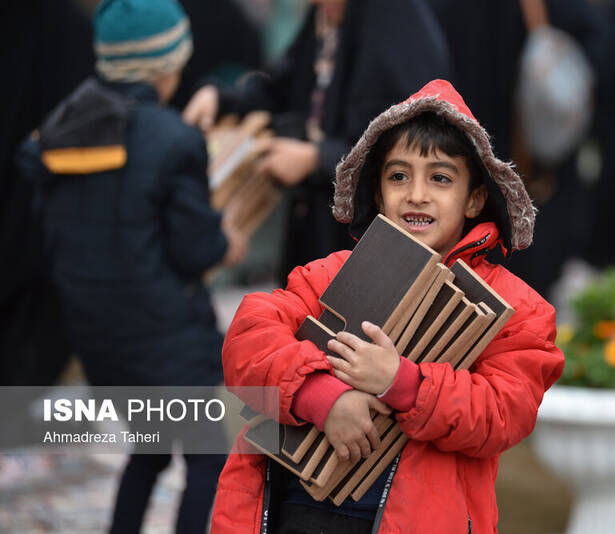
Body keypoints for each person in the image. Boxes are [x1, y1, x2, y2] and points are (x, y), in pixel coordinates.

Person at [212, 79, 565, 534]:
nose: (416, 194)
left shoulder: (518, 311)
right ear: (378, 193)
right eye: (399, 176)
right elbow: (249, 339)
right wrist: (320, 397)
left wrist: (402, 382)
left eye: (440, 178)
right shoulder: (329, 274)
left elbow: (501, 414)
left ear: (475, 198)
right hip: (292, 511)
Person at [16, 0, 246, 532]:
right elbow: (196, 251)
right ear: (168, 65)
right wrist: (224, 241)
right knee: (209, 461)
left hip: (99, 340)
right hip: (167, 344)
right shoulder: (175, 141)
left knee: (149, 452)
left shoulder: (58, 133)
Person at [182, 0, 451, 280]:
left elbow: (412, 137)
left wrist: (316, 159)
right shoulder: (327, 12)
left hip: (370, 246)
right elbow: (281, 88)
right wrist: (220, 98)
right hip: (318, 229)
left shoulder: (394, 22)